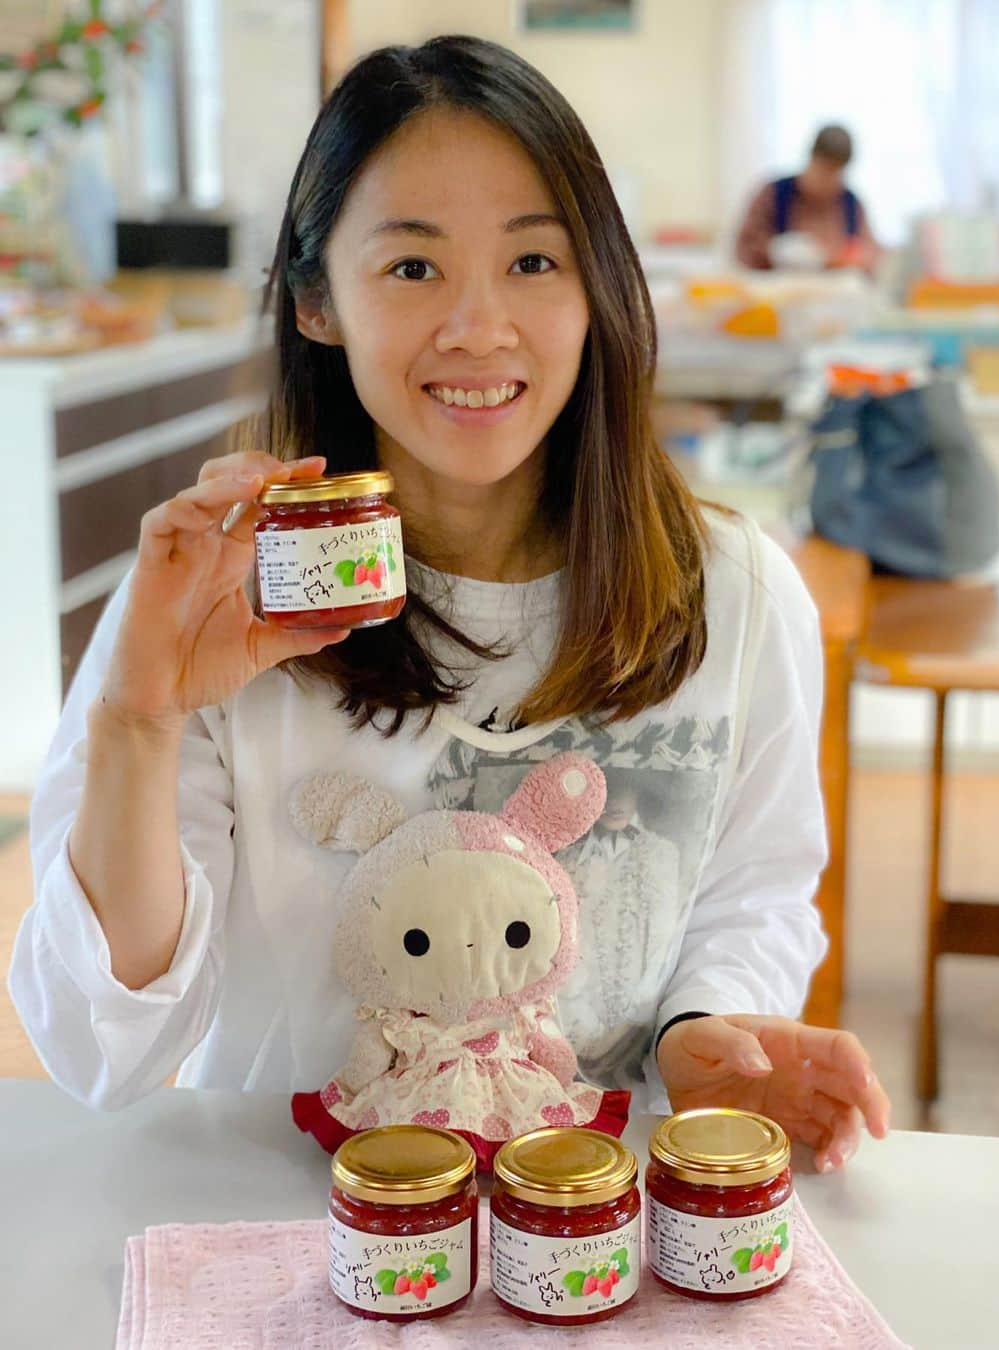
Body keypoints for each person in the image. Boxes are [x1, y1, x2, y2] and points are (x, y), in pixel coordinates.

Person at [9, 36, 889, 1173]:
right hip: (296, 1234)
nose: (480, 326)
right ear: (316, 300)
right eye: (414, 269)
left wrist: (703, 1029)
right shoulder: (219, 598)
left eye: (534, 263)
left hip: (593, 1229)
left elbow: (753, 887)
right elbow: (102, 1048)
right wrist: (137, 717)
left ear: (599, 287)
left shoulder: (737, 592)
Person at [735, 124, 880, 272]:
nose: (829, 181)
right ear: (811, 159)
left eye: (836, 173)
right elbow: (744, 248)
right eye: (824, 171)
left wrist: (857, 259)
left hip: (835, 291)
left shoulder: (852, 204)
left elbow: (871, 253)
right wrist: (779, 253)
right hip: (781, 288)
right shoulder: (773, 194)